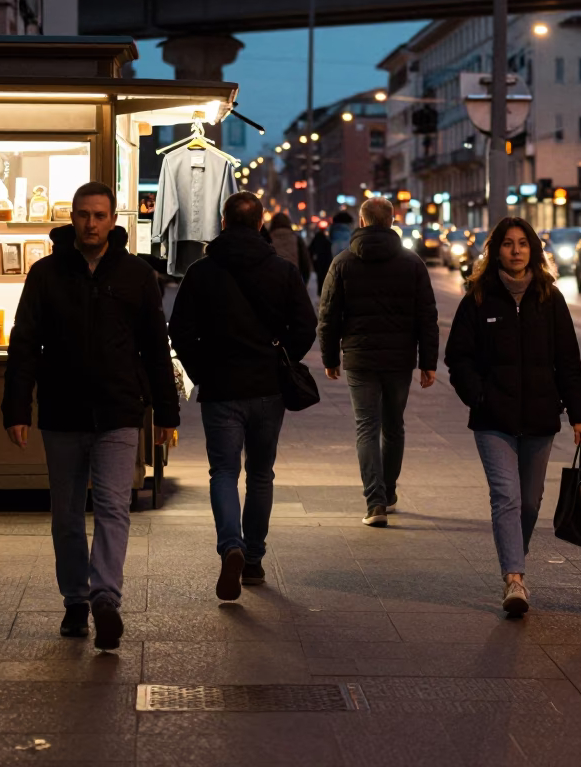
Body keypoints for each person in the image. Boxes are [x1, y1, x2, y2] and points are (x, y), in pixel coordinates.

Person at [3, 181, 178, 650]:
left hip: (119, 412)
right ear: (72, 217)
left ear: (113, 220)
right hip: (62, 412)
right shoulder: (46, 274)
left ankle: (105, 598)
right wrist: (16, 407)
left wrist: (166, 411)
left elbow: (155, 349)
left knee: (113, 508)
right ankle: (75, 601)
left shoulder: (137, 276)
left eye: (99, 215)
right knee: (65, 514)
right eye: (83, 215)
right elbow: (24, 345)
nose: (91, 223)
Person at [169, 191, 317, 599]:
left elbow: (179, 329)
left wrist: (202, 369)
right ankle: (252, 558)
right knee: (261, 473)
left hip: (220, 388)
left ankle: (229, 545)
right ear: (260, 222)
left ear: (223, 221)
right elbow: (306, 326)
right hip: (268, 388)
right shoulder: (282, 270)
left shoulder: (202, 272)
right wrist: (282, 358)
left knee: (223, 472)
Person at [445, 217, 581, 617]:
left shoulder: (550, 298)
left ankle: (515, 555)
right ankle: (514, 579)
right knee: (506, 497)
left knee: (529, 503)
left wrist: (579, 414)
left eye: (522, 244)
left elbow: (568, 361)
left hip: (542, 418)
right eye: (508, 244)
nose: (515, 250)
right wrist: (479, 396)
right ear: (496, 250)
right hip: (493, 419)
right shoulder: (478, 297)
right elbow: (458, 358)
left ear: (533, 250)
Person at [317, 196, 438, 527]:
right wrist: (428, 362)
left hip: (359, 357)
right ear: (392, 220)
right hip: (400, 359)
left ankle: (375, 503)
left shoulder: (343, 262)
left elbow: (327, 315)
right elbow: (428, 316)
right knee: (394, 426)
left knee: (366, 426)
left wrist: (330, 357)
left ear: (362, 221)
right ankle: (389, 492)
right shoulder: (413, 263)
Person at [268, 212, 312, 285]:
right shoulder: (297, 239)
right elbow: (305, 263)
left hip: (272, 281)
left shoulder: (267, 240)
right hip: (293, 280)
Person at [308, 225, 333, 296]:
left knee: (319, 277)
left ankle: (320, 292)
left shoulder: (316, 239)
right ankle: (325, 292)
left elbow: (310, 250)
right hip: (326, 261)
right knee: (325, 277)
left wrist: (312, 259)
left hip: (318, 262)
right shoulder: (326, 240)